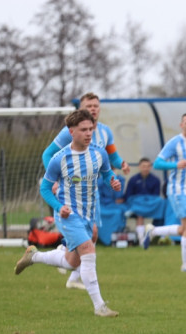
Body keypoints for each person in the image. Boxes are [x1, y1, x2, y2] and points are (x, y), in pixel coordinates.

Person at [15, 109, 120, 317]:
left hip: (88, 214)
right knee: (88, 251)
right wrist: (58, 206)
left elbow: (107, 173)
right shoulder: (59, 159)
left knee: (73, 262)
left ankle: (34, 257)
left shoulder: (99, 153)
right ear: (71, 132)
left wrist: (113, 181)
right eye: (83, 130)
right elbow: (45, 188)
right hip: (68, 215)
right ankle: (100, 306)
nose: (89, 133)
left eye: (91, 129)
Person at [42, 92, 130, 289]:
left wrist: (121, 163)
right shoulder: (70, 132)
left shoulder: (105, 132)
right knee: (89, 237)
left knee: (94, 235)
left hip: (92, 190)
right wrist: (55, 180)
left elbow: (111, 158)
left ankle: (72, 274)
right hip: (71, 192)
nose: (93, 109)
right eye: (88, 106)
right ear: (80, 109)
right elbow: (47, 154)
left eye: (96, 105)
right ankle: (66, 253)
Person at [142, 112, 186, 272]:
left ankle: (153, 231)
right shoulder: (175, 143)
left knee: (185, 228)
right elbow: (158, 163)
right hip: (177, 190)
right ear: (181, 125)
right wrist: (175, 165)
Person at [124, 157, 165, 237]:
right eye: (143, 166)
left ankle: (156, 236)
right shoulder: (133, 179)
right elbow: (128, 196)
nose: (145, 169)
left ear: (150, 167)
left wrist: (146, 200)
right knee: (139, 210)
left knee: (160, 201)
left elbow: (155, 196)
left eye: (147, 166)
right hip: (137, 202)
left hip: (150, 204)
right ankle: (141, 239)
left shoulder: (156, 180)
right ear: (139, 167)